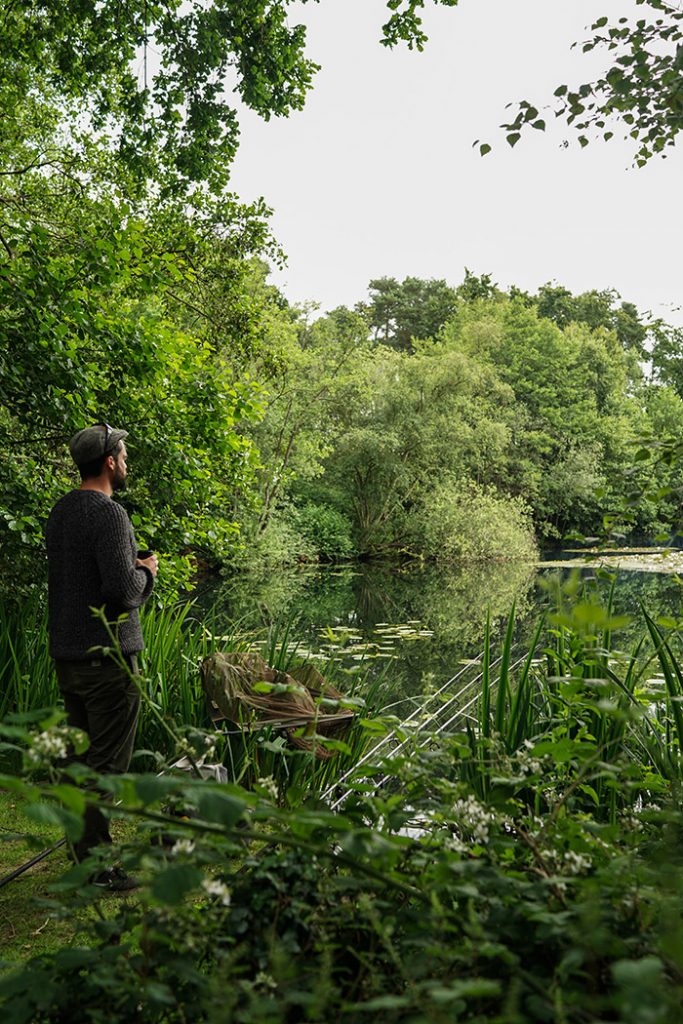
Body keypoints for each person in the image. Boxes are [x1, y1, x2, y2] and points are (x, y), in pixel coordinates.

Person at [45, 423, 158, 891]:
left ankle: (82, 857)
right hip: (108, 661)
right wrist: (146, 572)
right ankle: (99, 871)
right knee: (106, 767)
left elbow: (82, 581)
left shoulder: (61, 512)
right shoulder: (109, 514)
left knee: (80, 763)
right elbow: (122, 591)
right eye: (124, 455)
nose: (127, 462)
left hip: (69, 659)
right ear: (110, 462)